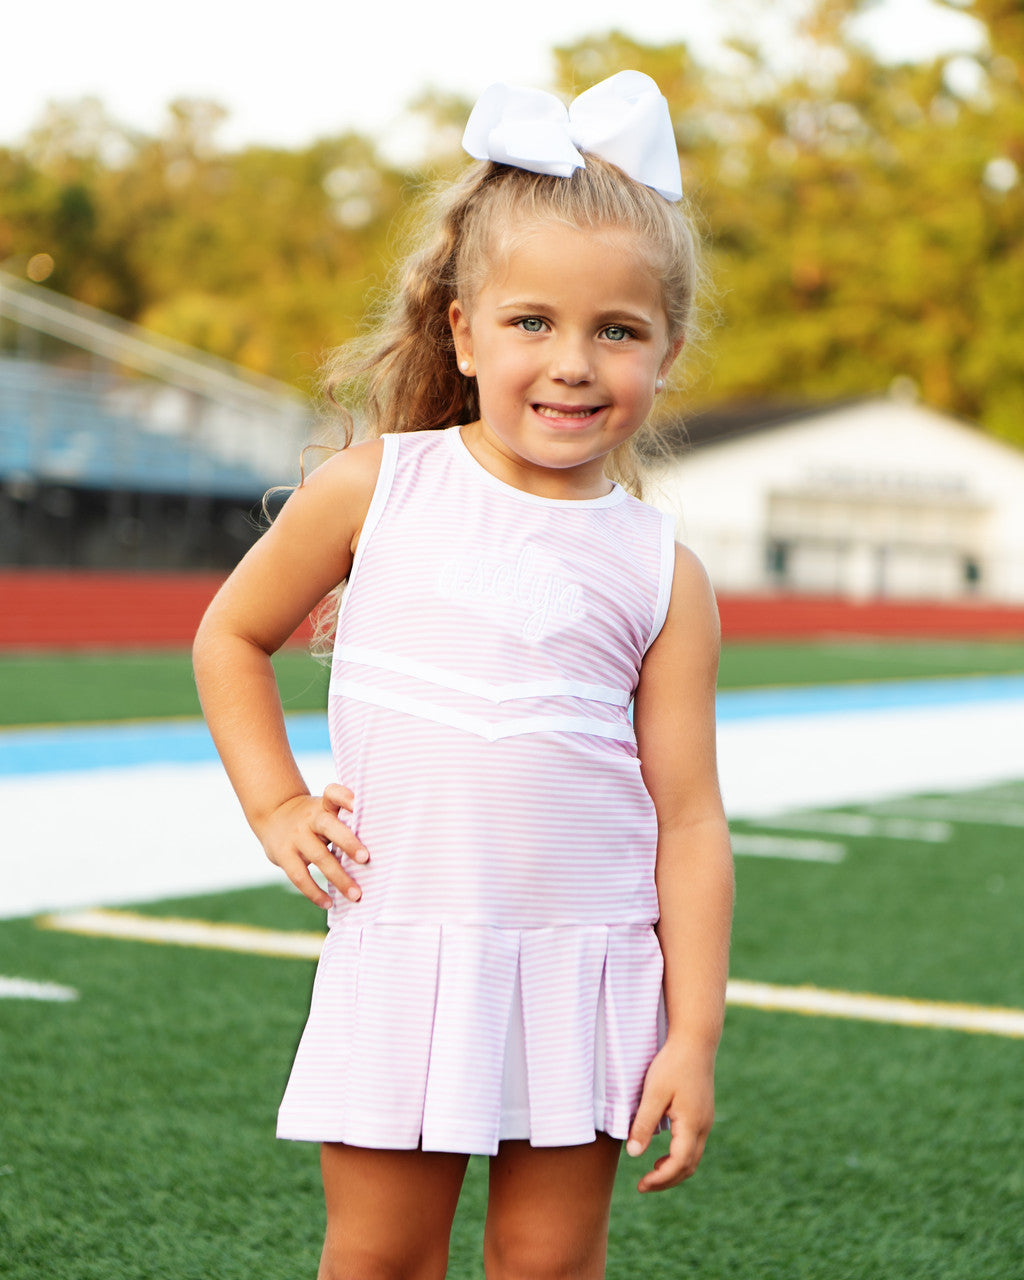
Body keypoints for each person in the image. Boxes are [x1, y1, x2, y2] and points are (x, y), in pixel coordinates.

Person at [193, 70, 734, 1280]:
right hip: (407, 942)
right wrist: (276, 802)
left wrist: (691, 1029)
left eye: (619, 330)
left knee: (548, 1263)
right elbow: (228, 636)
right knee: (379, 1255)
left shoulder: (663, 570)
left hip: (589, 966)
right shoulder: (379, 485)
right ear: (462, 330)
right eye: (532, 321)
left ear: (668, 349)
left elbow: (690, 818)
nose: (574, 363)